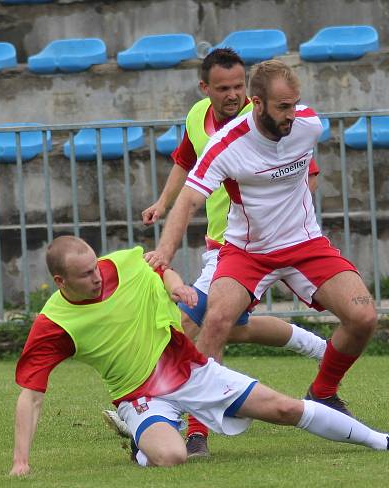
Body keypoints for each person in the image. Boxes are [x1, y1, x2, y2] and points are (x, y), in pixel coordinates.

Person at [9, 236, 389, 476]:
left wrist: (176, 284)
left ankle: (385, 442)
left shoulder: (119, 264)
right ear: (60, 280)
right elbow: (31, 395)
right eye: (85, 276)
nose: (97, 276)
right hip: (140, 394)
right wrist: (21, 462)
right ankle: (144, 438)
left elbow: (156, 265)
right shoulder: (54, 324)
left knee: (284, 408)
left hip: (189, 369)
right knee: (172, 458)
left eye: (96, 267)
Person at [103, 48, 327, 458]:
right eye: (223, 88)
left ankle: (179, 422)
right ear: (205, 88)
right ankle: (316, 347)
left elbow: (305, 173)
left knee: (191, 323)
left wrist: (288, 226)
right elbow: (185, 162)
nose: (234, 94)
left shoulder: (267, 122)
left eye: (240, 86)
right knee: (225, 325)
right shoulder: (197, 117)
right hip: (219, 244)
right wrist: (163, 203)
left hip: (247, 246)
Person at [147, 60, 377, 418]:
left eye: (295, 104)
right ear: (258, 104)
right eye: (283, 107)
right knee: (215, 321)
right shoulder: (226, 144)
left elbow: (308, 174)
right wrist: (165, 250)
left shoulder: (308, 125)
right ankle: (196, 430)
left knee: (363, 316)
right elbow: (190, 199)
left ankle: (322, 392)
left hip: (305, 244)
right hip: (247, 251)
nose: (292, 115)